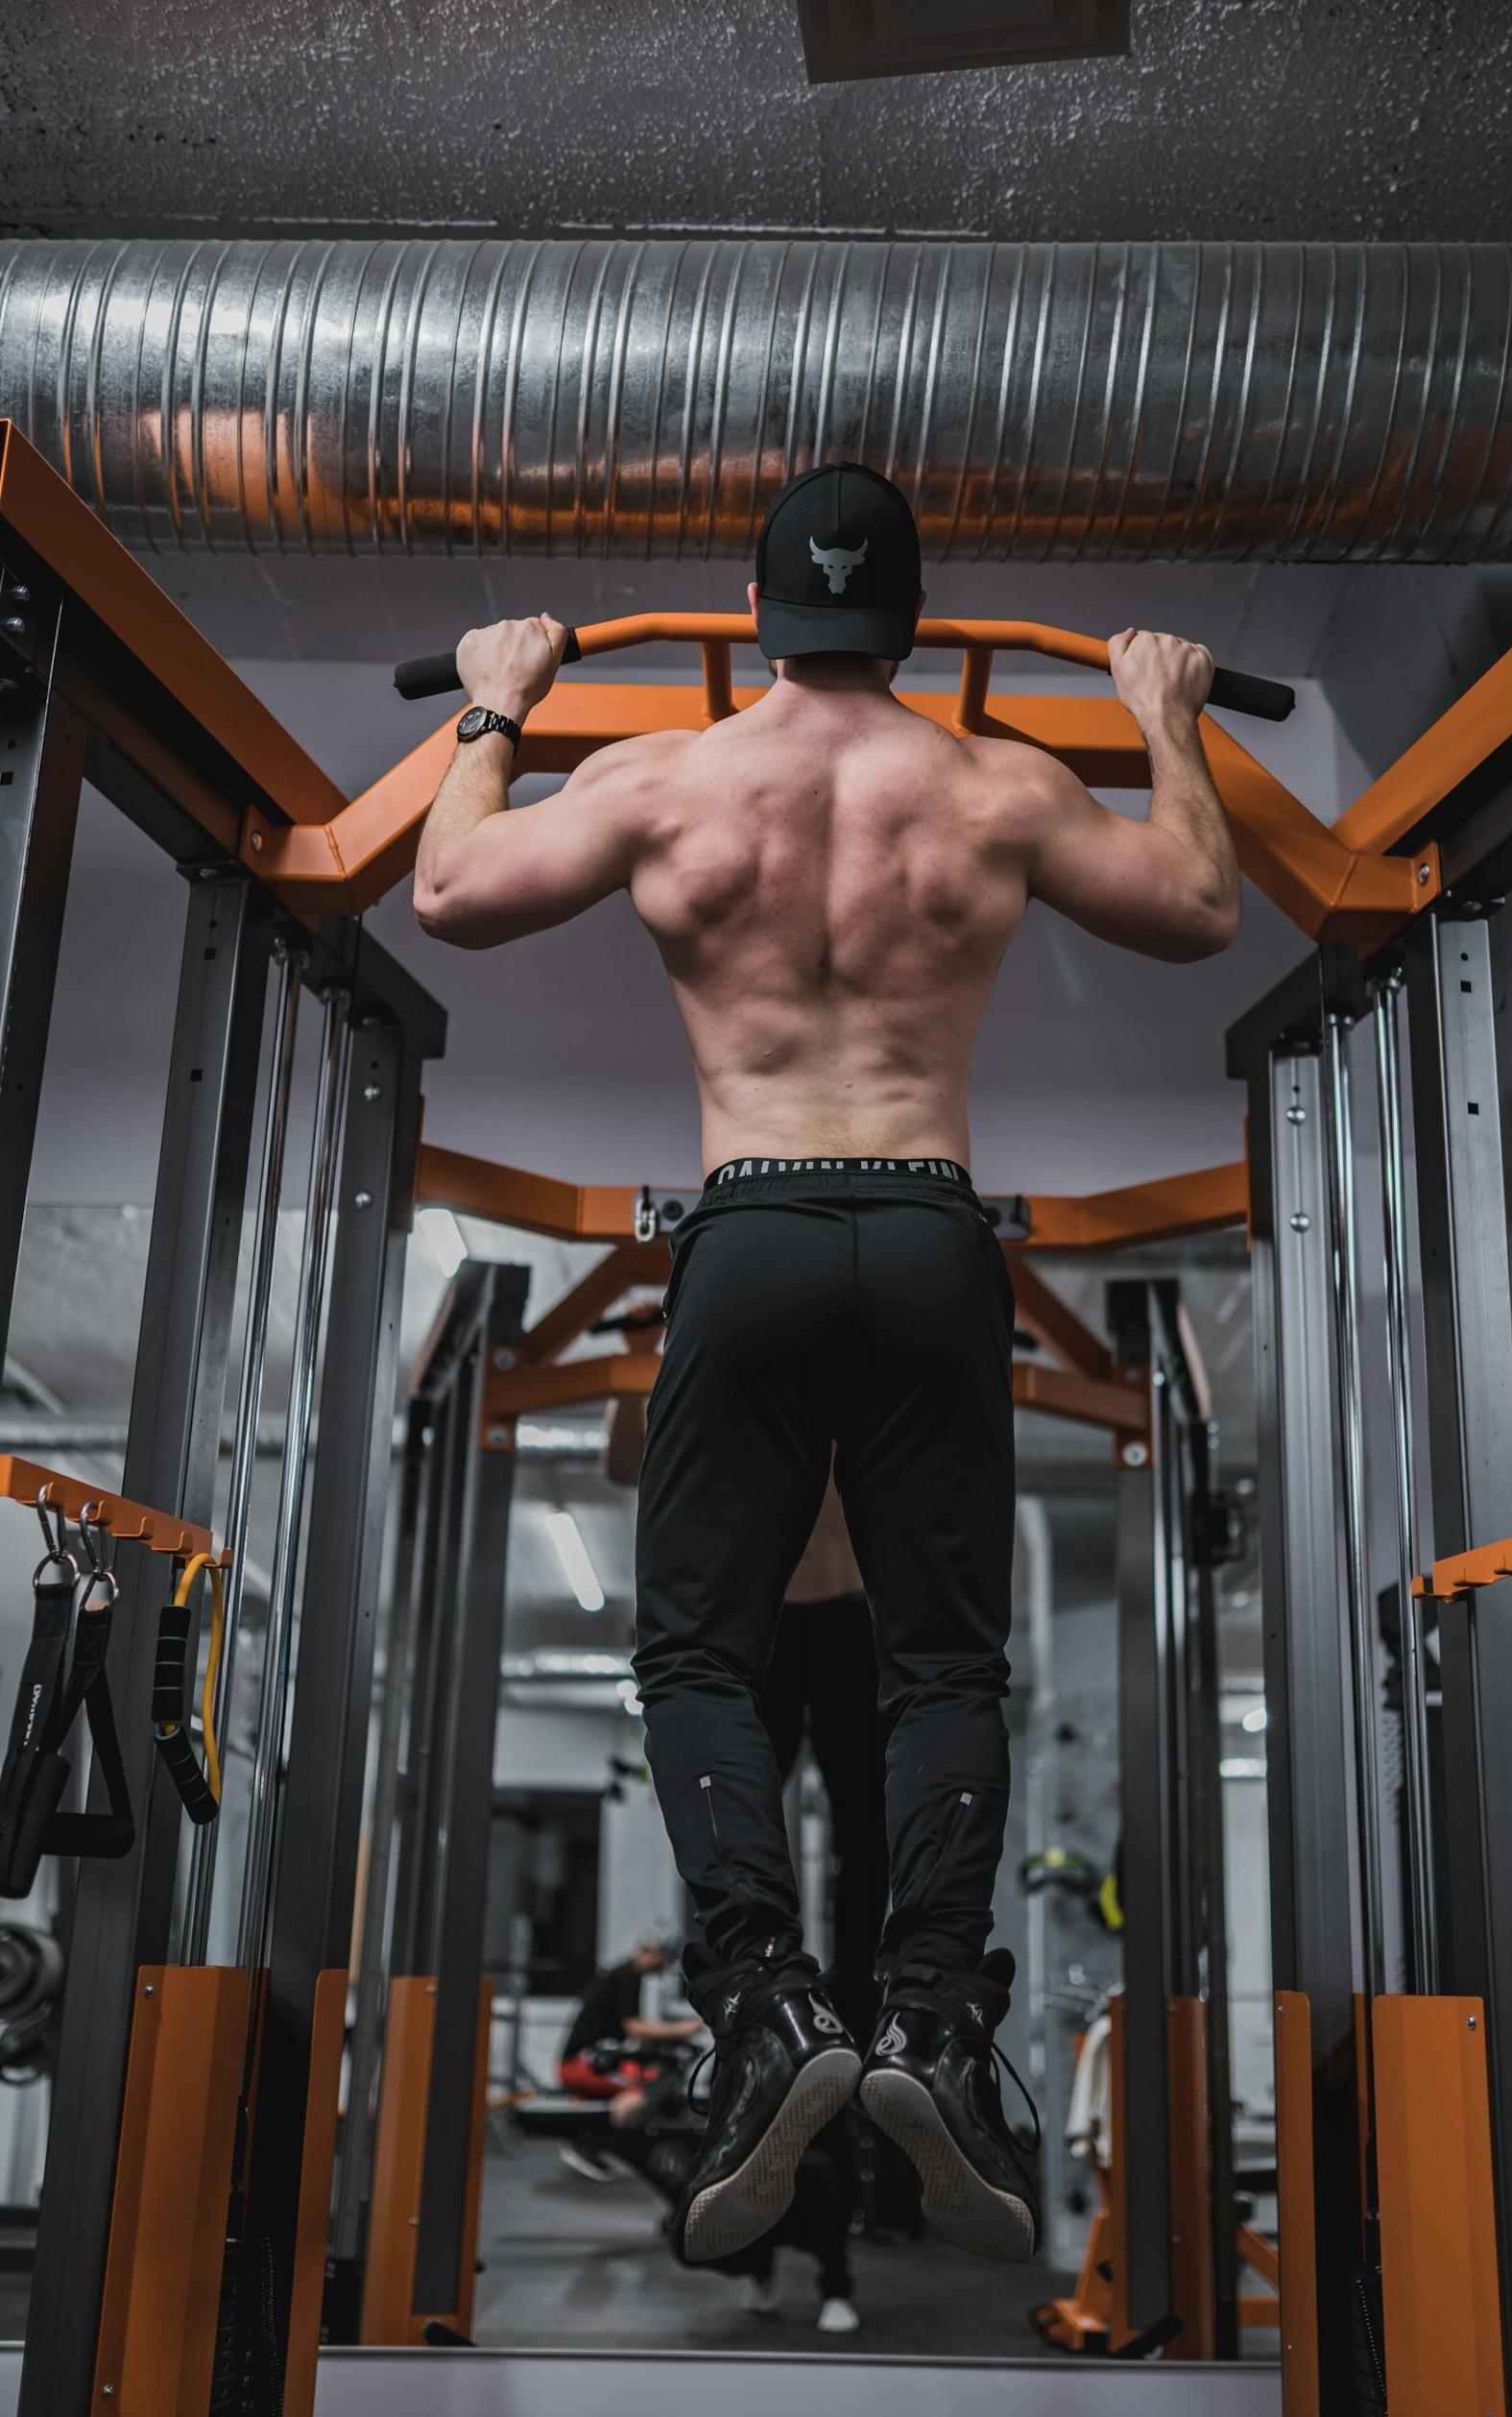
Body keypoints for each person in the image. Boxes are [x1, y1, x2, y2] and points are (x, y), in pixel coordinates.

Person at [414, 458, 1240, 2267]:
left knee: (699, 1649)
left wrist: (499, 698)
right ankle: (933, 2021)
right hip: (936, 1232)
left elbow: (449, 892)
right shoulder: (995, 787)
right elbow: (1198, 905)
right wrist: (1162, 718)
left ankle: (769, 2006)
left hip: (752, 1224)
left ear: (764, 611)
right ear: (911, 618)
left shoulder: (667, 782)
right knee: (942, 1658)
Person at [604, 1308, 888, 2042]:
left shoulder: (853, 1384)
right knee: (739, 1815)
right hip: (761, 1628)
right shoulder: (730, 1386)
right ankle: (759, 1983)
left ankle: (860, 2002)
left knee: (866, 1832)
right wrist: (638, 1359)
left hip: (849, 1624)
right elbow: (623, 1462)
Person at [558, 1932, 699, 2137]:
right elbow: (634, 2028)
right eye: (665, 1960)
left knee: (651, 2073)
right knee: (646, 2086)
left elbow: (634, 2033)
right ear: (653, 1954)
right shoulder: (627, 1975)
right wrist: (682, 2029)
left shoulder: (626, 1975)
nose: (664, 1967)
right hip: (582, 2063)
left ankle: (607, 2133)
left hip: (599, 2057)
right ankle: (615, 2141)